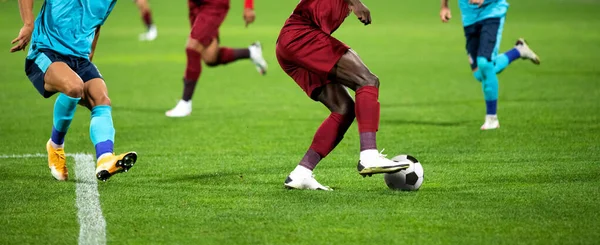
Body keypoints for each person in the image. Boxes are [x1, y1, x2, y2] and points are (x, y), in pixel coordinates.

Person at [276, 0, 410, 190]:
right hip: (302, 35)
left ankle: (302, 173)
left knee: (344, 108)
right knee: (367, 81)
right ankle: (369, 154)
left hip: (289, 45)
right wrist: (356, 4)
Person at [10, 0, 138, 181]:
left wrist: (90, 55)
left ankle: (105, 158)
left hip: (79, 58)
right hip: (46, 51)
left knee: (101, 99)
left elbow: (96, 24)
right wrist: (29, 24)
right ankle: (55, 145)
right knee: (74, 86)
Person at [439, 0, 541, 130]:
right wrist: (444, 5)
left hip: (492, 11)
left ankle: (492, 118)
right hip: (469, 17)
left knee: (484, 62)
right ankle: (519, 50)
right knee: (479, 74)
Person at [165, 0, 268, 117]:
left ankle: (185, 102)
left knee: (192, 48)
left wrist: (248, 6)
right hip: (195, 4)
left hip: (214, 4)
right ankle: (251, 52)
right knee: (210, 57)